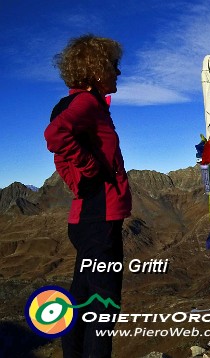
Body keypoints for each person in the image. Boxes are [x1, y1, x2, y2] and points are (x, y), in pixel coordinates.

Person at [44, 34, 130, 358]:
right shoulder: (86, 104)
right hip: (100, 221)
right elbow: (55, 136)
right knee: (104, 309)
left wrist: (78, 175)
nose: (117, 73)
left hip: (86, 220)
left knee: (81, 302)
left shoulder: (79, 105)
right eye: (113, 66)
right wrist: (89, 168)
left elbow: (60, 147)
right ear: (96, 70)